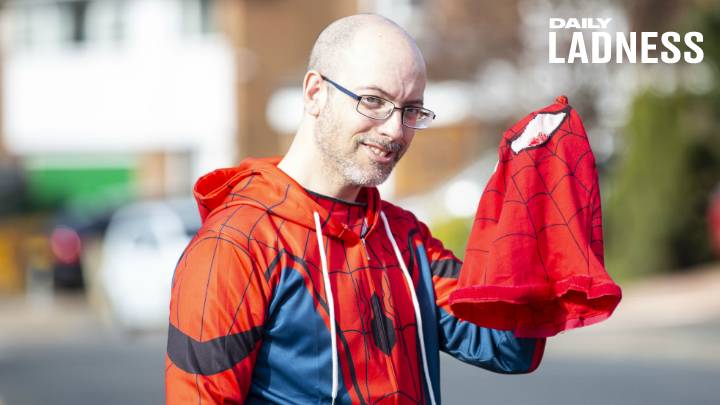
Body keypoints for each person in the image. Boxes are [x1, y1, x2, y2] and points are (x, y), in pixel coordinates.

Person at [165, 13, 545, 404]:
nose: (395, 130)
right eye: (374, 101)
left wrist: (538, 199)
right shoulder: (235, 246)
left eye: (411, 109)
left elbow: (508, 345)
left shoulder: (406, 239)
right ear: (315, 93)